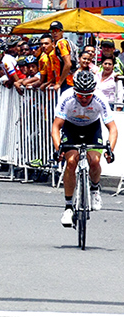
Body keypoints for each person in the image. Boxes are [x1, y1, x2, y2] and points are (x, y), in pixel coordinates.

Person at [51, 71, 117, 227]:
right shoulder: (66, 97)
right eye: (80, 95)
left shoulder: (100, 99)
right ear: (75, 91)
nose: (84, 99)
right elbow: (56, 127)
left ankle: (94, 190)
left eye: (88, 95)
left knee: (94, 161)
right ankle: (68, 208)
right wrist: (58, 149)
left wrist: (110, 149)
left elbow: (112, 128)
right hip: (71, 129)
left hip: (92, 129)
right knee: (72, 162)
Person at [49, 21, 74, 92]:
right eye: (52, 31)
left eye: (57, 30)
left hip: (66, 82)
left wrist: (59, 83)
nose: (54, 33)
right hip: (65, 81)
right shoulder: (57, 44)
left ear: (62, 31)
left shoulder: (61, 43)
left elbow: (68, 64)